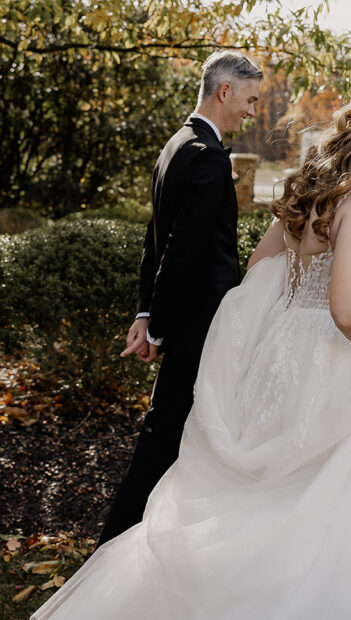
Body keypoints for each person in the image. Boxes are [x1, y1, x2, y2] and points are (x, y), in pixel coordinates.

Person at [30, 81, 351, 620]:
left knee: (267, 501)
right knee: (324, 511)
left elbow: (259, 275)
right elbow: (347, 309)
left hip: (283, 360)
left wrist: (266, 353)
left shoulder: (312, 183)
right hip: (336, 368)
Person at [97, 49, 263, 545]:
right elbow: (180, 252)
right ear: (224, 91)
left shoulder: (178, 144)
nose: (253, 111)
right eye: (250, 99)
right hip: (197, 326)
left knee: (174, 434)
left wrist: (147, 312)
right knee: (164, 436)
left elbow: (157, 239)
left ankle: (170, 538)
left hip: (181, 320)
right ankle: (117, 547)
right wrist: (161, 328)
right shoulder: (207, 158)